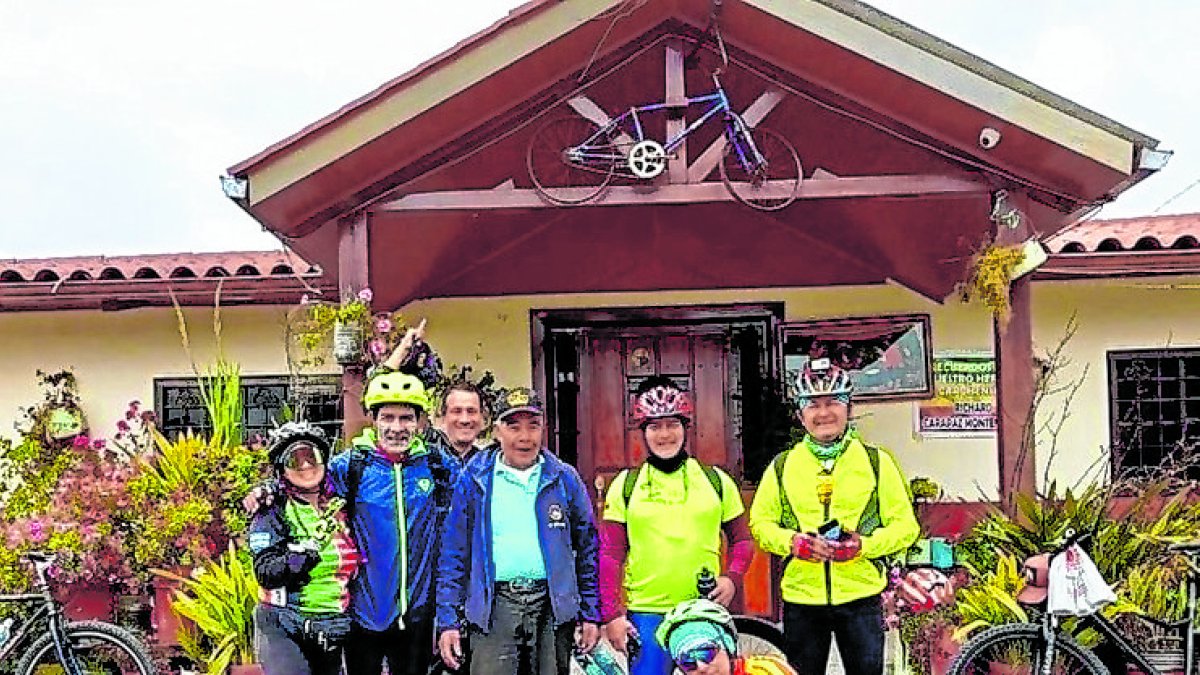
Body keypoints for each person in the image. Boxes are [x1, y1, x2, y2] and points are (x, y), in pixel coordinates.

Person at [749, 358, 919, 675]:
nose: (824, 413)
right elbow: (761, 524)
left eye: (833, 402)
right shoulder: (783, 466)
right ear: (800, 415)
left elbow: (905, 527)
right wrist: (793, 543)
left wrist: (863, 546)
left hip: (861, 597)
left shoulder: (876, 462)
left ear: (849, 409)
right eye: (813, 405)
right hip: (802, 598)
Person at [436, 387, 601, 675]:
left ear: (543, 429)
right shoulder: (474, 479)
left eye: (533, 426)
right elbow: (453, 554)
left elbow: (587, 548)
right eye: (514, 427)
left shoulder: (564, 479)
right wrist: (447, 620)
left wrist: (590, 613)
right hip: (493, 607)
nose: (524, 437)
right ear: (497, 431)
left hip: (552, 607)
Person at [599, 376, 756, 675]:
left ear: (685, 427)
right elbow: (610, 555)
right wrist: (612, 615)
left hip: (703, 611)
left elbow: (742, 540)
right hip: (647, 613)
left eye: (672, 424)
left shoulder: (716, 481)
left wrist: (732, 578)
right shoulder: (625, 485)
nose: (664, 434)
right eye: (655, 426)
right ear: (643, 432)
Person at [249, 422, 361, 675]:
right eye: (294, 460)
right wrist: (301, 557)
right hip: (284, 622)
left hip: (333, 624)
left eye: (312, 456)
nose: (306, 465)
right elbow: (265, 572)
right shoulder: (272, 510)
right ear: (282, 469)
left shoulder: (342, 506)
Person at [654, 599, 796, 675]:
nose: (701, 667)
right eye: (687, 661)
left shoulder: (767, 671)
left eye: (706, 653)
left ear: (728, 645)